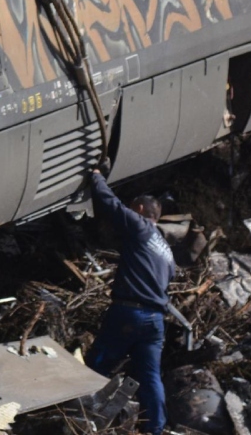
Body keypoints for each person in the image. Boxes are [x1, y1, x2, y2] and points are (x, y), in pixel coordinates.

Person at [84, 167, 175, 435]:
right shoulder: (167, 252)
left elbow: (110, 204)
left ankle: (77, 414)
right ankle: (156, 430)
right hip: (155, 321)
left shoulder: (140, 227)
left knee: (97, 365)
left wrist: (96, 176)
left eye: (132, 208)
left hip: (129, 313)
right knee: (150, 377)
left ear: (140, 210)